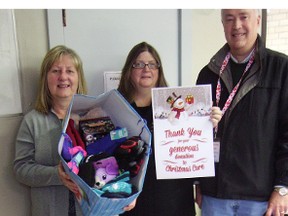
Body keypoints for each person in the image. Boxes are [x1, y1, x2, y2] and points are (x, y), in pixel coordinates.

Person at [196, 9, 288, 216]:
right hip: (215, 195)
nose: (236, 25)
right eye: (229, 19)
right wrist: (198, 182)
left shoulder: (281, 68)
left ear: (257, 20)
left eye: (243, 17)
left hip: (262, 197)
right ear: (222, 24)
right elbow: (195, 133)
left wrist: (283, 187)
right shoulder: (208, 73)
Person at [118, 41, 222, 216]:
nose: (146, 69)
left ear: (159, 70)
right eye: (139, 64)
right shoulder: (117, 107)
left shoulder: (177, 107)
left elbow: (194, 150)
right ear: (129, 69)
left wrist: (208, 123)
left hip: (174, 195)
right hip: (133, 197)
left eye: (152, 64)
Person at [13, 45, 88, 216]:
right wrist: (57, 174)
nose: (63, 77)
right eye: (55, 71)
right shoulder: (32, 121)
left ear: (78, 78)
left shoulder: (94, 118)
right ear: (46, 78)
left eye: (70, 71)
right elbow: (21, 169)